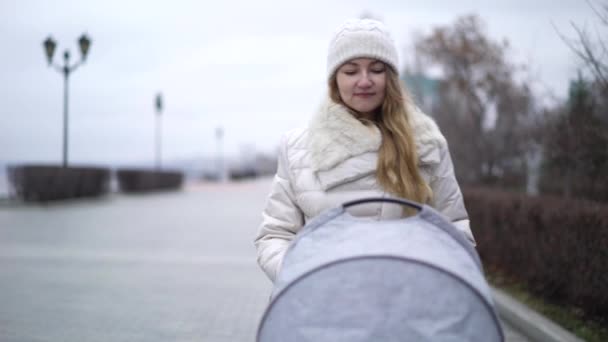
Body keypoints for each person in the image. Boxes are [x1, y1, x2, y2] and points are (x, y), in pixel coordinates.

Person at [254, 18, 475, 282]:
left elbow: (455, 234)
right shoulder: (298, 148)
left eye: (377, 69)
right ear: (335, 80)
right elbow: (275, 235)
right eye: (350, 71)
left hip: (407, 309)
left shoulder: (426, 144)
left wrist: (424, 280)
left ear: (390, 77)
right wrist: (306, 278)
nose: (364, 80)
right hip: (320, 309)